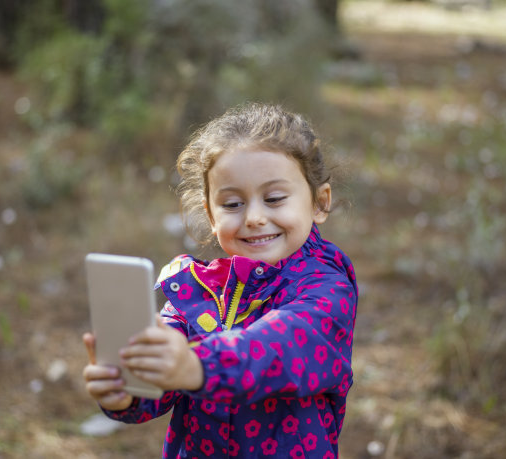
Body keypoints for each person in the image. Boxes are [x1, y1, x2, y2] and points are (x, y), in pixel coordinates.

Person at [83, 103, 358, 458]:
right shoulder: (197, 291)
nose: (255, 217)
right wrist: (127, 392)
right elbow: (164, 380)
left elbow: (279, 348)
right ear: (210, 214)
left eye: (274, 198)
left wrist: (195, 365)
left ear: (319, 203)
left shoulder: (326, 288)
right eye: (232, 204)